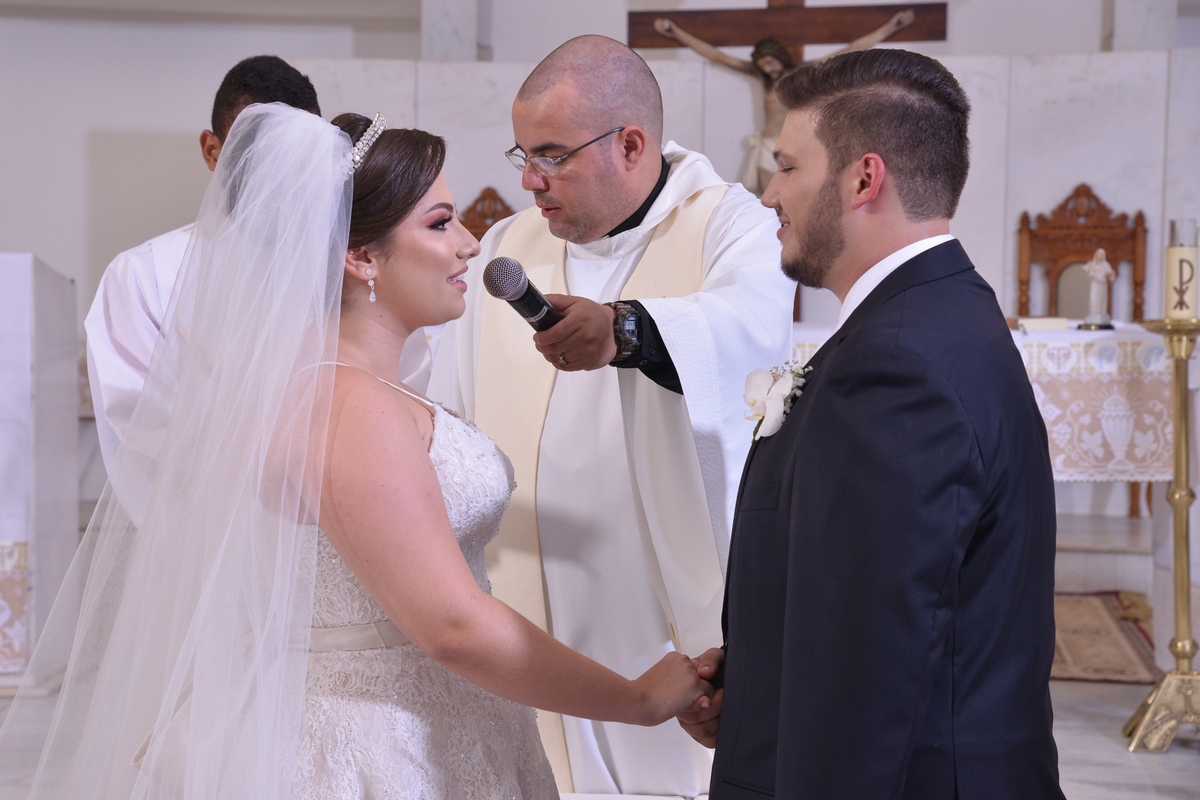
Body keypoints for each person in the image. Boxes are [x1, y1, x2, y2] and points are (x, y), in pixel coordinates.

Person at [0, 105, 713, 799]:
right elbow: (450, 624)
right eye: (440, 223)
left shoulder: (361, 389)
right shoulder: (346, 406)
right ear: (360, 255)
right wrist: (636, 700)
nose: (470, 244)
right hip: (378, 747)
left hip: (446, 722)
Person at [681, 49, 1067, 798]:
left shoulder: (896, 363)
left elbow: (869, 665)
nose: (767, 194)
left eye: (787, 167)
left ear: (863, 178)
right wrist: (759, 682)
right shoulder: (937, 316)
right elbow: (890, 598)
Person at [428, 35, 793, 796]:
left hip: (659, 616)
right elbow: (450, 403)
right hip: (521, 588)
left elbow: (751, 337)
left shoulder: (732, 225)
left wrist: (627, 330)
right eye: (521, 154)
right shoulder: (508, 244)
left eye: (553, 154)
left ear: (631, 144)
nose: (531, 181)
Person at [84, 55, 430, 482]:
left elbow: (405, 382)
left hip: (355, 498)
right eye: (257, 150)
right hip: (206, 527)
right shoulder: (142, 276)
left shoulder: (356, 263)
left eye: (297, 151)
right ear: (213, 150)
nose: (279, 170)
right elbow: (142, 435)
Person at [653, 10, 915, 195]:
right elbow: (716, 56)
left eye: (770, 62)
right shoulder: (759, 75)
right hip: (766, 144)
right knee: (771, 196)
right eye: (762, 65)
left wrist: (892, 26)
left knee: (788, 194)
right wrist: (676, 33)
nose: (767, 69)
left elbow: (849, 49)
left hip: (790, 143)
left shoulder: (800, 73)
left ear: (781, 57)